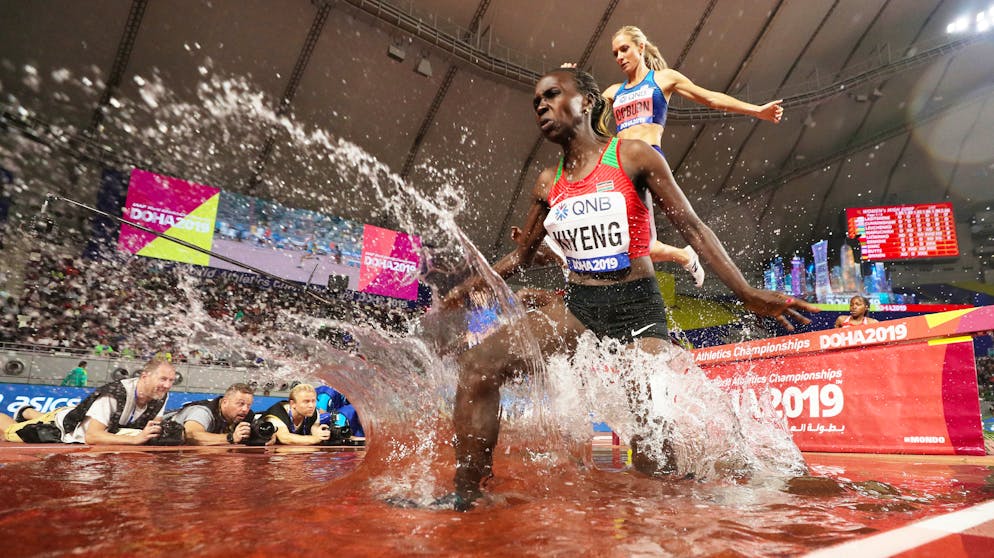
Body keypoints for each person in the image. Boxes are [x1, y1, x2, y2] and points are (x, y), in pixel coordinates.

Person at [444, 67, 816, 509]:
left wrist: (747, 293)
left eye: (552, 95)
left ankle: (693, 510)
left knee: (649, 442)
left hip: (638, 310)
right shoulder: (549, 182)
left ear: (588, 102)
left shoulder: (633, 156)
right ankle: (466, 494)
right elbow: (522, 257)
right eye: (536, 102)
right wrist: (469, 286)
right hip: (581, 307)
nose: (541, 105)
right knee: (477, 369)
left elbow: (693, 229)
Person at [594, 26, 785, 287]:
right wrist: (569, 78)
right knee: (637, 247)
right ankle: (683, 255)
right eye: (615, 53)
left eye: (624, 48)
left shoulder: (663, 79)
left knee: (674, 229)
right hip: (621, 168)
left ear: (640, 47)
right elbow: (582, 112)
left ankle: (706, 262)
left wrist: (757, 110)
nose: (619, 56)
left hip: (649, 161)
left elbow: (711, 99)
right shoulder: (613, 92)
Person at [3, 356, 177, 444]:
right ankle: (22, 414)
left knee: (56, 414)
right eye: (163, 379)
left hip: (75, 416)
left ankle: (26, 411)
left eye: (171, 380)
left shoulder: (159, 395)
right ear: (145, 376)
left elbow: (152, 427)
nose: (168, 385)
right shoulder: (115, 394)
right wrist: (135, 439)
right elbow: (92, 436)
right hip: (63, 428)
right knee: (9, 432)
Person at [162, 383, 259, 445]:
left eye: (249, 405)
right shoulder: (203, 412)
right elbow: (191, 435)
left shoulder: (246, 415)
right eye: (240, 404)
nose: (245, 409)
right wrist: (231, 438)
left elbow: (262, 433)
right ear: (225, 402)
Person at [262, 383, 332, 445]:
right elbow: (285, 438)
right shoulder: (276, 413)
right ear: (293, 404)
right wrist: (314, 439)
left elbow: (316, 434)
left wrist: (323, 435)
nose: (311, 405)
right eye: (306, 401)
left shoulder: (314, 413)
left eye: (313, 401)